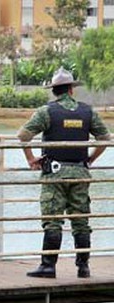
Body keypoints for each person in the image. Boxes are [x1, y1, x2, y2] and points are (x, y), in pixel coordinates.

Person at [17, 67, 110, 279]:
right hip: (80, 172)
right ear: (71, 90)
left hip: (54, 174)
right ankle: (83, 267)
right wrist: (90, 159)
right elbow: (105, 139)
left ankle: (48, 266)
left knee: (53, 220)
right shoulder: (88, 112)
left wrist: (31, 159)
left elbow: (23, 136)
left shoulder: (46, 111)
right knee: (81, 220)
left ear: (54, 91)